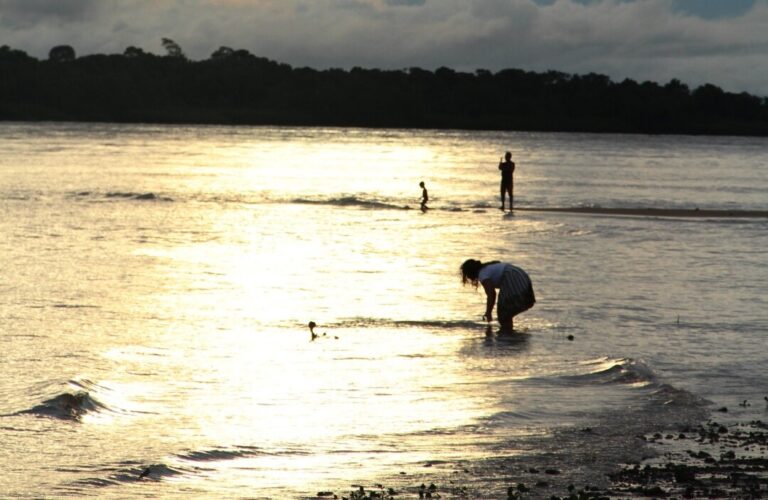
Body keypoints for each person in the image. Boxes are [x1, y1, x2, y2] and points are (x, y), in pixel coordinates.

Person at [460, 259, 535, 334]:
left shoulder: (482, 274)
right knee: (506, 313)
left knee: (503, 313)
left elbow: (491, 294)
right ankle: (511, 336)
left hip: (512, 277)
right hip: (521, 275)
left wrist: (488, 312)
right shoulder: (487, 268)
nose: (468, 278)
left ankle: (507, 337)